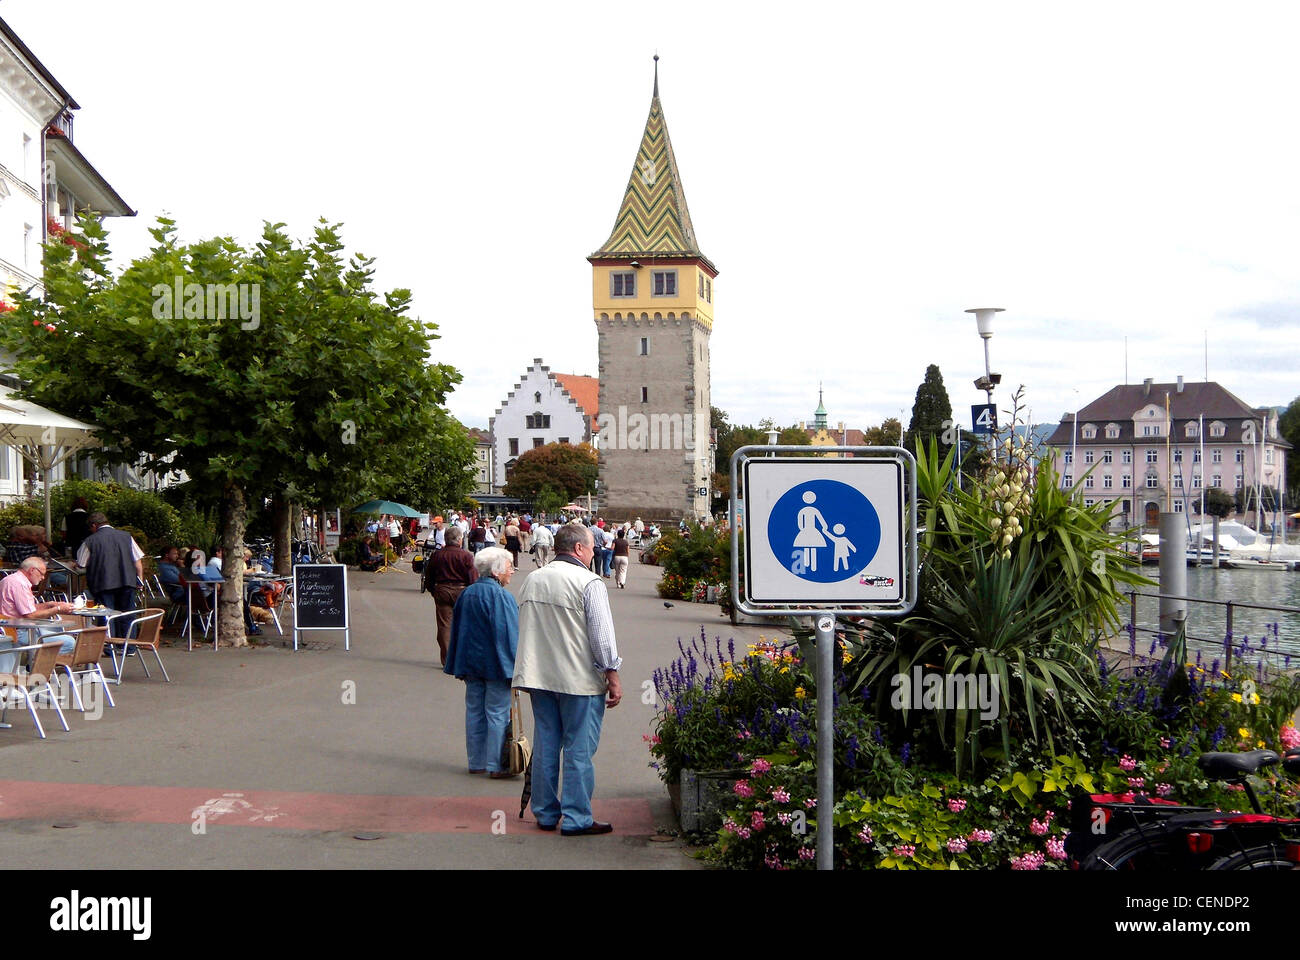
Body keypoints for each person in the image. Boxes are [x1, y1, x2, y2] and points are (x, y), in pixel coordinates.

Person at [513, 524, 622, 836]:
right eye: (590, 548)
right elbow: (602, 638)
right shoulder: (589, 582)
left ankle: (546, 813)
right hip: (578, 679)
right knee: (578, 747)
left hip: (539, 676)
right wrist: (612, 673)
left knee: (546, 743)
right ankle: (577, 818)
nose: (593, 553)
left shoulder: (533, 579)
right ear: (578, 549)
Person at [443, 547, 518, 777]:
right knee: (497, 713)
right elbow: (509, 635)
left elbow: (457, 630)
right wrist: (517, 668)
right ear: (496, 571)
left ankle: (477, 762)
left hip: (471, 663)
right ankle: (496, 765)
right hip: (496, 665)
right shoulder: (502, 597)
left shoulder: (468, 593)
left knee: (475, 711)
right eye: (509, 566)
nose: (512, 571)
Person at [0, 557, 76, 671]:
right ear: (32, 570)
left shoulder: (12, 579)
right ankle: (35, 668)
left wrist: (49, 604)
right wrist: (58, 609)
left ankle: (33, 665)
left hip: (12, 628)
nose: (43, 577)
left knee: (58, 631)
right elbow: (30, 615)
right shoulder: (19, 584)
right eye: (41, 574)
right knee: (69, 642)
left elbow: (27, 609)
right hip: (18, 631)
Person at [76, 513, 144, 638]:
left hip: (103, 582)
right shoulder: (126, 537)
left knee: (106, 615)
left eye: (90, 528)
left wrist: (73, 564)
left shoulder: (90, 540)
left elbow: (81, 563)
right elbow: (137, 562)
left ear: (94, 525)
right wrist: (140, 580)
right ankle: (129, 647)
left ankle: (109, 647)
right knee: (127, 614)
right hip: (127, 581)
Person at [424, 526, 477, 665]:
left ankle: (448, 660)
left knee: (444, 626)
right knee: (464, 624)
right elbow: (473, 578)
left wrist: (433, 591)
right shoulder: (466, 556)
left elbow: (429, 576)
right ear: (459, 540)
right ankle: (462, 658)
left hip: (442, 590)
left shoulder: (437, 555)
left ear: (446, 539)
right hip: (462, 591)